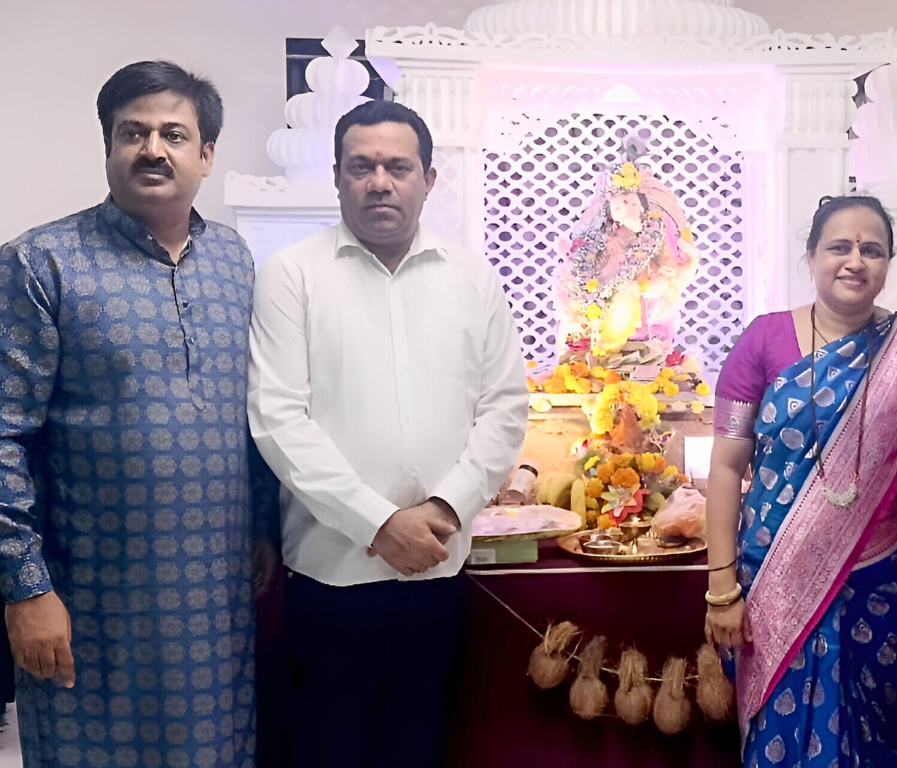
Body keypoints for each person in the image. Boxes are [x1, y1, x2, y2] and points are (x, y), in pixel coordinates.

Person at [247, 99, 527, 767]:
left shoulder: (472, 276)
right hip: (330, 573)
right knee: (328, 747)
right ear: (338, 177)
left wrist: (441, 509)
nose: (380, 181)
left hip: (436, 566)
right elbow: (279, 416)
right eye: (362, 166)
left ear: (429, 179)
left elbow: (505, 406)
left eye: (398, 166)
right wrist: (377, 523)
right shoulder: (293, 274)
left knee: (419, 744)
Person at [0, 61, 261, 767]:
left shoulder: (235, 261)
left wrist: (265, 526)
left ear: (206, 155)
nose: (153, 149)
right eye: (132, 133)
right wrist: (26, 590)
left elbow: (257, 416)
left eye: (174, 133)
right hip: (89, 604)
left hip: (219, 604)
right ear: (108, 147)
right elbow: (3, 436)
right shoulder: (39, 263)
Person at [704, 195, 897, 767]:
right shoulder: (763, 341)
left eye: (872, 250)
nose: (855, 261)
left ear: (888, 262)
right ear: (811, 255)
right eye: (839, 247)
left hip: (888, 585)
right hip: (775, 578)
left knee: (884, 735)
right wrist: (721, 589)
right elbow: (725, 467)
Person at [555, 161, 699, 358]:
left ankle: (609, 346)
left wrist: (662, 272)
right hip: (598, 287)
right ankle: (586, 340)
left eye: (632, 204)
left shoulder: (651, 234)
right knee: (570, 289)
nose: (626, 209)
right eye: (619, 205)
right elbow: (583, 260)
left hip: (635, 289)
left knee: (624, 300)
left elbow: (666, 266)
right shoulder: (600, 235)